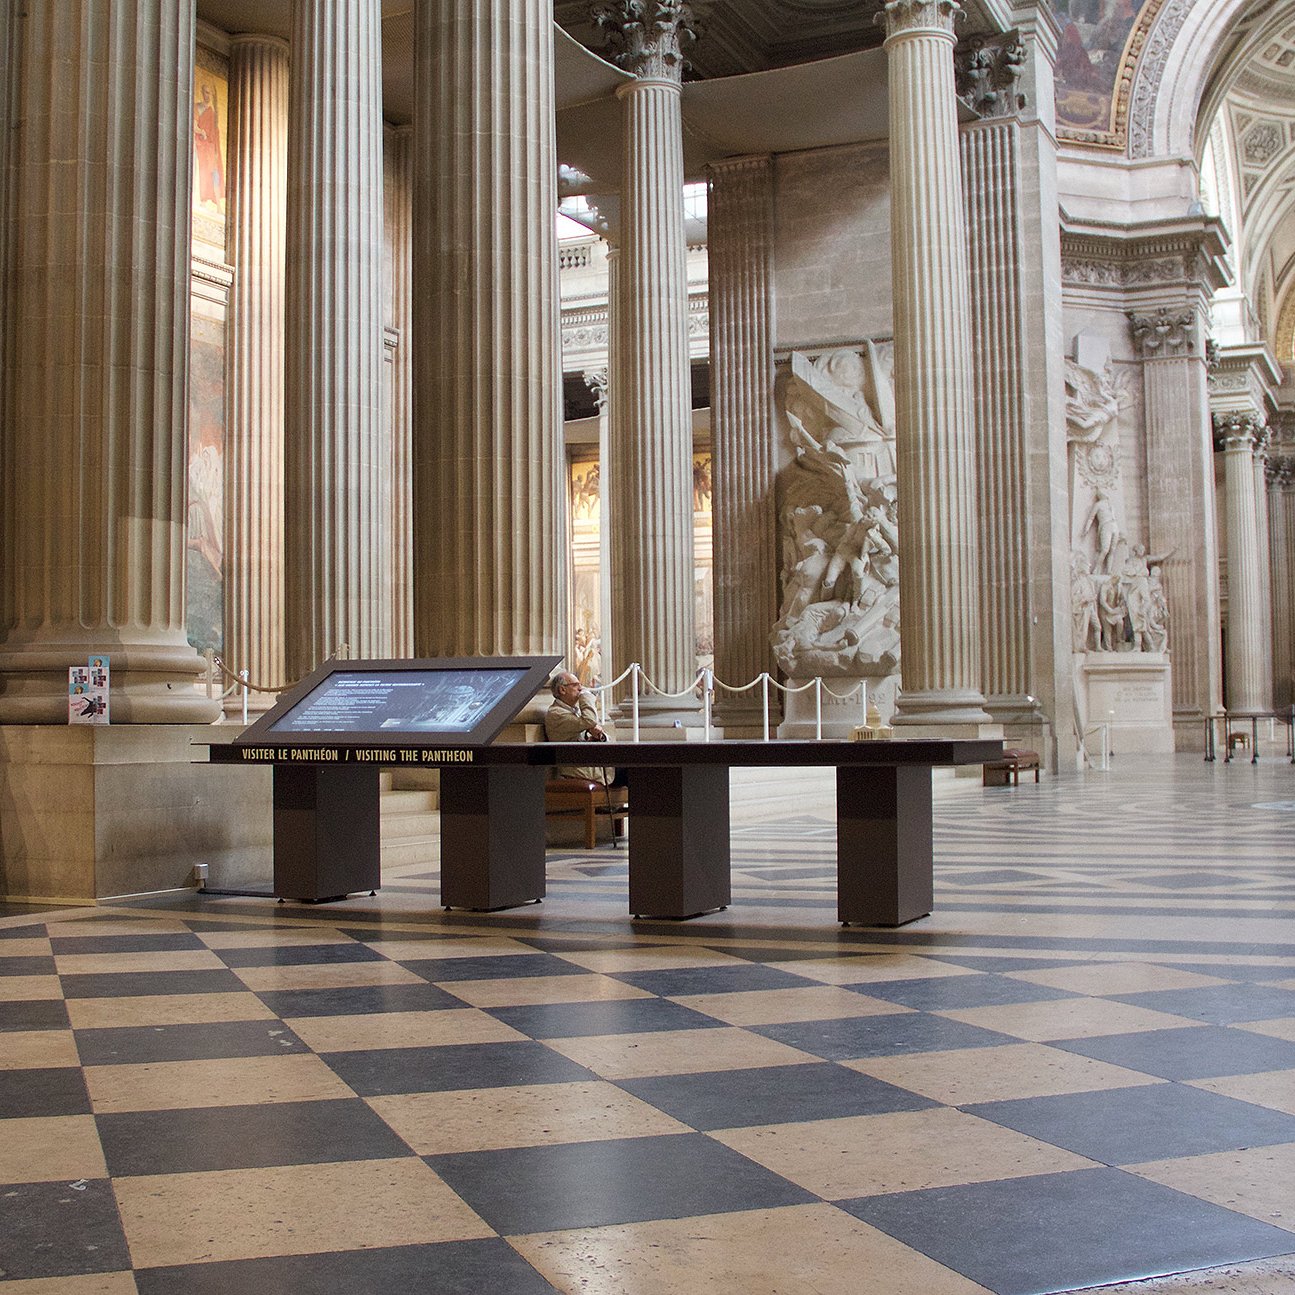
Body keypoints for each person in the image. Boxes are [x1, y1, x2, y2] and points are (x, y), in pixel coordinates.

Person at [545, 672, 613, 785]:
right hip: (578, 768)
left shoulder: (570, 711)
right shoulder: (556, 714)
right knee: (632, 771)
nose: (580, 688)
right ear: (562, 690)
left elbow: (581, 733)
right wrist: (586, 697)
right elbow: (590, 720)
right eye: (576, 685)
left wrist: (595, 737)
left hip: (588, 763)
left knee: (634, 766)